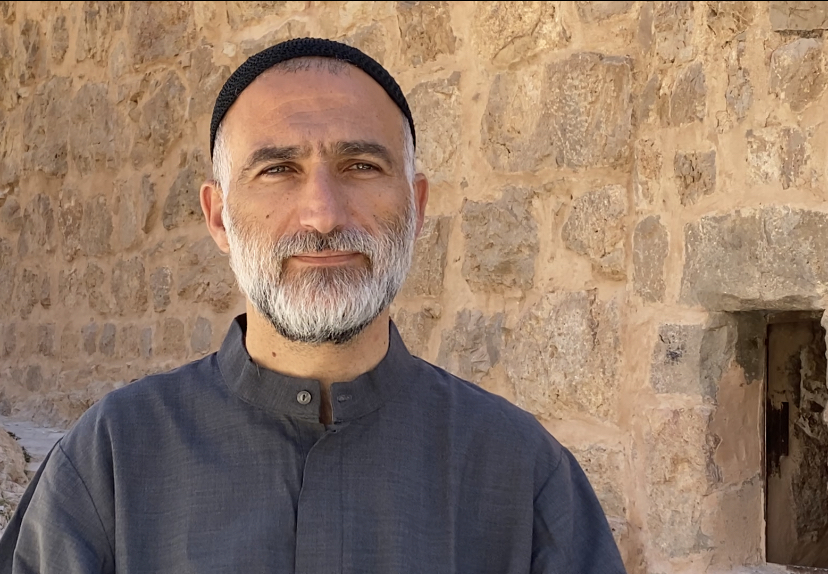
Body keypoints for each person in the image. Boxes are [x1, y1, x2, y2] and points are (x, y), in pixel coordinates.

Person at [0, 38, 627, 573]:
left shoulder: (522, 475)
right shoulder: (110, 461)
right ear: (218, 217)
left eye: (361, 165)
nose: (323, 215)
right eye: (277, 170)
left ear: (416, 208)